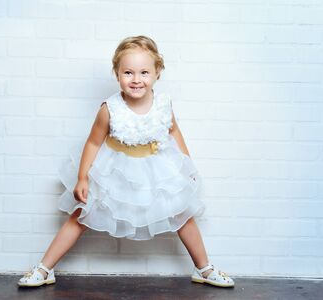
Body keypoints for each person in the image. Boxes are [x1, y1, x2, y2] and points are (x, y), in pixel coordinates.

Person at [18, 35, 235, 288]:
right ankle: (45, 268)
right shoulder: (109, 108)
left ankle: (204, 268)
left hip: (155, 167)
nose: (136, 79)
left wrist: (186, 164)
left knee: (182, 213)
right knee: (81, 214)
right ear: (117, 73)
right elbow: (93, 143)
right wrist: (82, 177)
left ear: (157, 73)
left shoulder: (164, 104)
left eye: (144, 72)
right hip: (114, 169)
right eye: (128, 72)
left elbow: (173, 131)